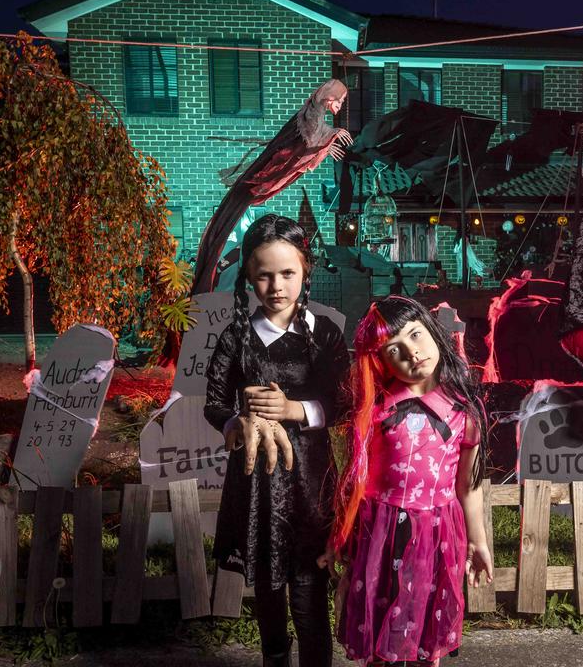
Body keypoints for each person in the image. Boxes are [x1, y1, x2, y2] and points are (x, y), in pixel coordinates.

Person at [203, 215, 350, 667]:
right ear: (248, 276)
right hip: (257, 482)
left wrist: (294, 410)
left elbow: (343, 403)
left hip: (309, 479)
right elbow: (214, 403)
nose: (276, 285)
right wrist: (235, 424)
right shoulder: (238, 337)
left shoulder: (324, 334)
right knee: (267, 582)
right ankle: (274, 657)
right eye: (264, 274)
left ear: (305, 270)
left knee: (309, 582)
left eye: (287, 273)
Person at [330, 296, 493, 665]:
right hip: (381, 535)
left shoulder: (463, 412)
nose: (412, 352)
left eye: (416, 335)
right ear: (381, 360)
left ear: (433, 331)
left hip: (436, 535)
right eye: (394, 349)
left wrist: (478, 542)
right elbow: (357, 478)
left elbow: (468, 485)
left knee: (425, 628)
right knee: (379, 626)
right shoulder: (374, 410)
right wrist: (344, 535)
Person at [192, 79, 352, 293]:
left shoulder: (314, 116)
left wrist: (324, 146)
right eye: (340, 101)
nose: (340, 106)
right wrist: (331, 136)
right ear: (329, 97)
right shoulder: (311, 113)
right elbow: (309, 137)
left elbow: (310, 142)